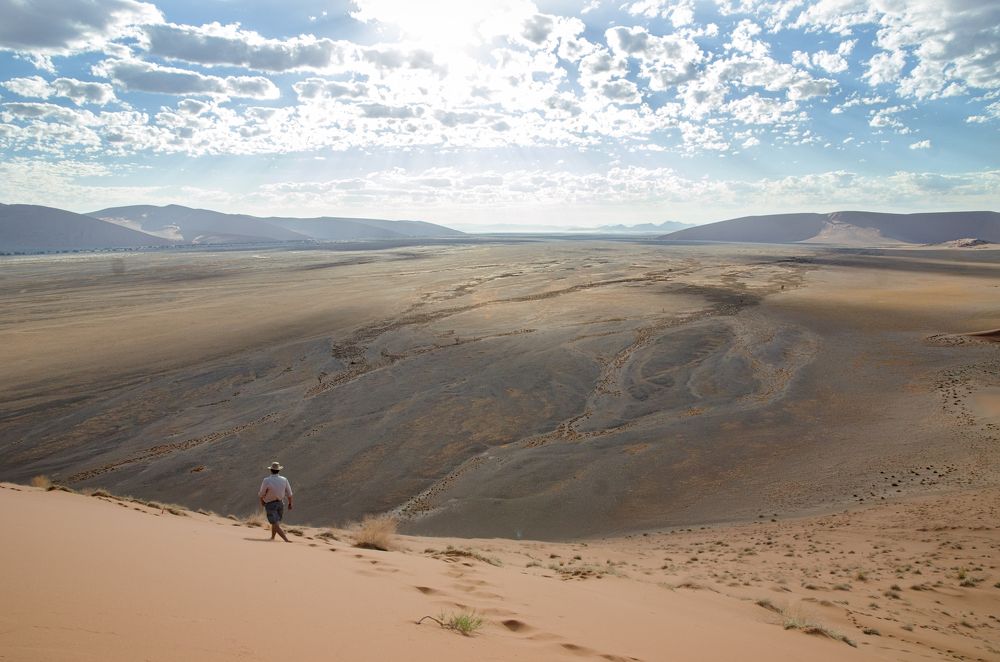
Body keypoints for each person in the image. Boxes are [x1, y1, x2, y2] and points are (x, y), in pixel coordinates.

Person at [258, 461, 294, 542]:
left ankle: (286, 540)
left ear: (271, 470)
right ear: (279, 470)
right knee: (276, 522)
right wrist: (290, 503)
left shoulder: (266, 480)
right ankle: (273, 537)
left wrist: (262, 501)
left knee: (275, 523)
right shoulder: (284, 479)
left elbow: (261, 493)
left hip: (270, 504)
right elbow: (289, 493)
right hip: (280, 503)